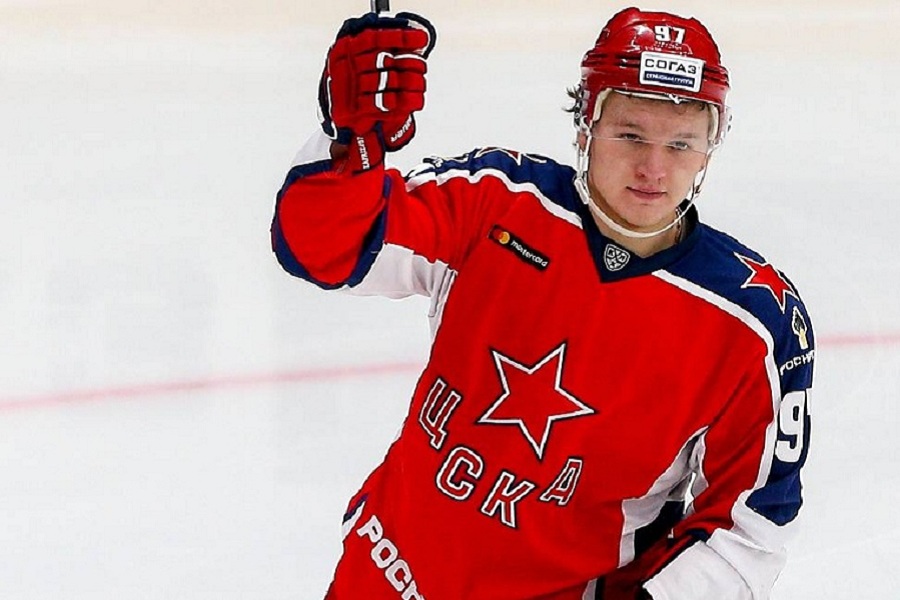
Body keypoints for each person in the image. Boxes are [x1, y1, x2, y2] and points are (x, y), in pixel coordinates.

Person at [271, 7, 815, 599]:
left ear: (710, 146)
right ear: (586, 124)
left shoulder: (754, 322)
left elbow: (750, 528)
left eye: (681, 144)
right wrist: (348, 145)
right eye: (631, 135)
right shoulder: (498, 200)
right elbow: (327, 250)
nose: (654, 169)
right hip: (389, 575)